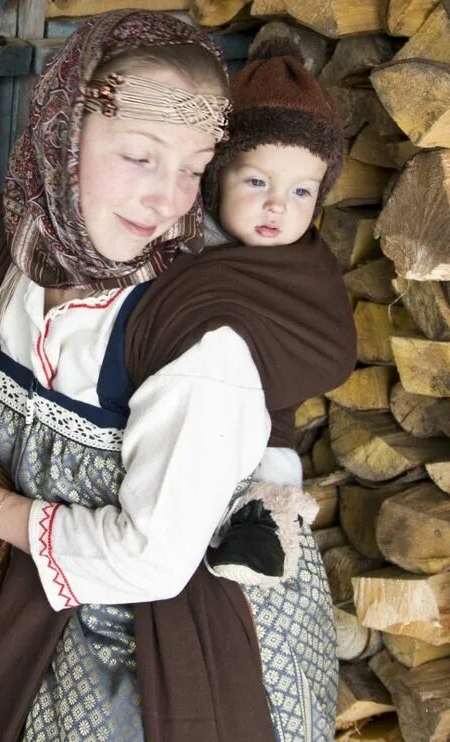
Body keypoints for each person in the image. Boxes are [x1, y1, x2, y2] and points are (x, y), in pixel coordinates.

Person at [0, 10, 355, 741]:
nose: (167, 199)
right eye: (140, 157)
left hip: (179, 631)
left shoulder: (195, 338)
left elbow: (153, 560)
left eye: (194, 170)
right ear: (61, 137)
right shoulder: (3, 247)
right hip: (49, 583)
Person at [202, 39, 346, 586]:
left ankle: (261, 526)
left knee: (272, 460)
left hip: (266, 425)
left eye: (302, 191)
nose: (278, 206)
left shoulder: (307, 265)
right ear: (216, 177)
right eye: (257, 181)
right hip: (185, 415)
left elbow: (326, 345)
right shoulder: (185, 244)